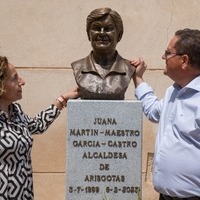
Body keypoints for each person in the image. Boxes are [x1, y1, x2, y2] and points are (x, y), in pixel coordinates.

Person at [131, 28, 200, 199]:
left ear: (184, 60)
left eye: (168, 53)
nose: (163, 57)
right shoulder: (174, 92)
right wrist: (138, 79)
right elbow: (153, 110)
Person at [0, 56, 79, 199]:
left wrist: (63, 100)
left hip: (24, 194)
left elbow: (37, 125)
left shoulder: (15, 111)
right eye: (14, 78)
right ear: (1, 85)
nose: (22, 82)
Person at [71, 7, 135, 100]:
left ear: (119, 35)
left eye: (108, 29)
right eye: (96, 28)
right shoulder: (78, 67)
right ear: (88, 34)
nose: (101, 33)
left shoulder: (129, 68)